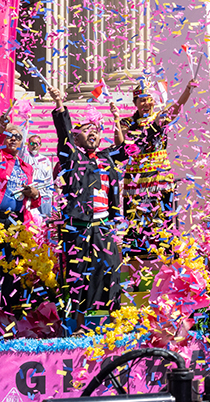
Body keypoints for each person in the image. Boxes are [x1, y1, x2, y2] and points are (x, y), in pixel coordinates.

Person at [50, 89, 128, 333]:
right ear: (77, 137)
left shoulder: (106, 158)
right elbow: (64, 134)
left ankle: (105, 325)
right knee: (78, 279)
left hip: (104, 228)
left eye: (96, 129)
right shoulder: (72, 158)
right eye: (86, 129)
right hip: (79, 230)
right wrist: (60, 102)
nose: (92, 132)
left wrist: (116, 119)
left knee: (110, 274)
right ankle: (73, 328)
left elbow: (124, 149)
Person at [118, 79, 195, 256]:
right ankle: (136, 254)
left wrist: (188, 90)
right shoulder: (127, 123)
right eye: (141, 100)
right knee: (136, 220)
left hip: (159, 176)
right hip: (136, 179)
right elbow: (121, 145)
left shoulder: (160, 117)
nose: (146, 103)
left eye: (149, 99)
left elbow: (176, 108)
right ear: (135, 103)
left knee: (160, 216)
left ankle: (163, 250)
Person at [0, 123, 39, 317]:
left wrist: (35, 193)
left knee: (14, 268)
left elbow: (35, 200)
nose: (13, 138)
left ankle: (9, 314)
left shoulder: (27, 167)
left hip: (17, 223)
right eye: (9, 135)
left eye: (18, 136)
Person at [19, 134, 54, 219]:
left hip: (44, 197)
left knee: (45, 222)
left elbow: (49, 178)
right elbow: (21, 143)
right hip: (29, 195)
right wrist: (26, 125)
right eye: (32, 143)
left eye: (37, 144)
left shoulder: (46, 160)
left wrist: (49, 194)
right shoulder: (25, 157)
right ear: (28, 144)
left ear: (40, 145)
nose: (34, 146)